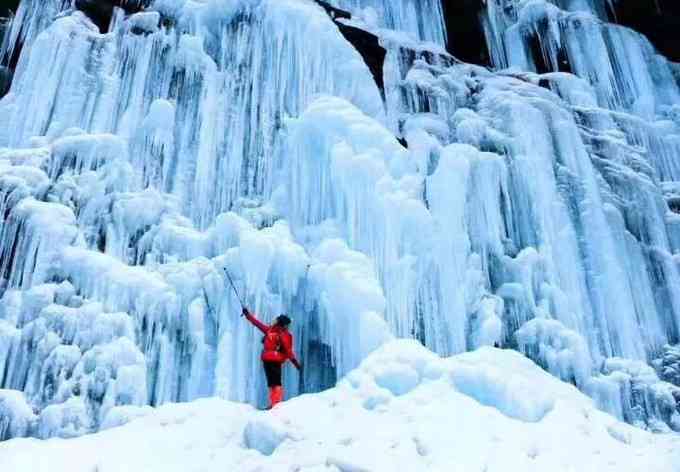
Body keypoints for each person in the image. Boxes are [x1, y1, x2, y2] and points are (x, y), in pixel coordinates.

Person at [242, 307, 302, 409]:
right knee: (277, 382)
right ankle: (276, 404)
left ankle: (273, 403)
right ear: (284, 325)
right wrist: (296, 364)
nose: (289, 326)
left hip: (266, 360)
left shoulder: (269, 330)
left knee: (271, 382)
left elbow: (257, 323)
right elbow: (288, 351)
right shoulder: (284, 334)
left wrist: (247, 315)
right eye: (288, 324)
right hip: (275, 360)